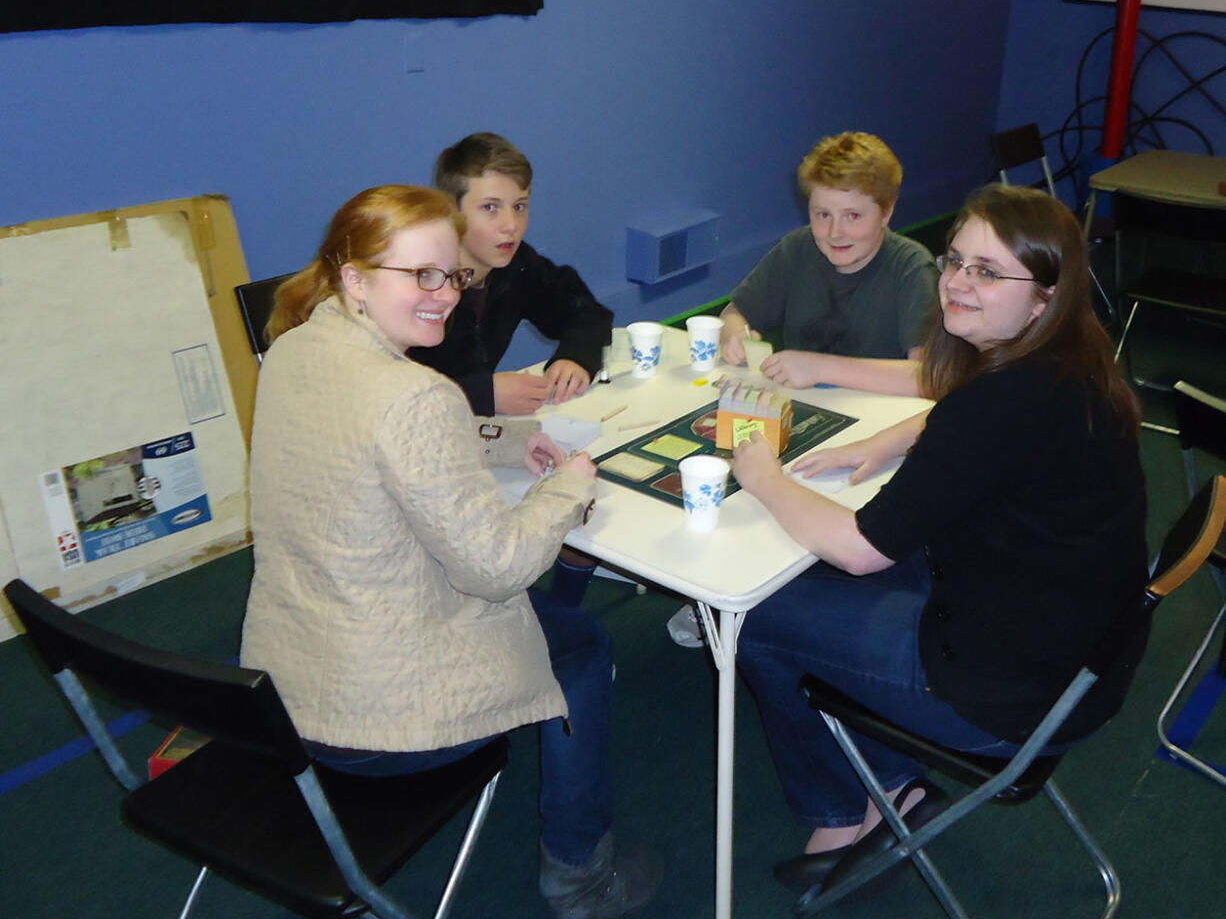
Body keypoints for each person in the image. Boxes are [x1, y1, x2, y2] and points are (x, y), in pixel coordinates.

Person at [240, 185, 659, 919]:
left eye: (452, 275)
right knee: (583, 645)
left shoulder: (294, 348)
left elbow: (375, 444)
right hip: (379, 722)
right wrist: (570, 485)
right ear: (355, 277)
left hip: (284, 689)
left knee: (533, 613)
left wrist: (499, 437)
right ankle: (579, 879)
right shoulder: (414, 396)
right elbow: (497, 566)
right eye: (420, 275)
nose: (446, 295)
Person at [729, 184, 1147, 893]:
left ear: (1044, 295)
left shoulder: (1000, 403)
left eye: (988, 271)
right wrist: (890, 441)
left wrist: (763, 473)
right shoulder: (1074, 364)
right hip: (1078, 663)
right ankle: (891, 781)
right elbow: (964, 428)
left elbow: (864, 545)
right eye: (954, 260)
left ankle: (846, 807)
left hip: (1007, 697)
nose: (956, 281)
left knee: (756, 618)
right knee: (825, 580)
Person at [410, 131, 614, 418]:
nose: (511, 225)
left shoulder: (516, 266)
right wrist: (480, 395)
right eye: (490, 207)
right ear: (451, 210)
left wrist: (576, 356)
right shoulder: (416, 284)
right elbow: (381, 397)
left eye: (520, 206)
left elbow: (585, 310)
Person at [719, 131, 936, 396]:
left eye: (853, 216)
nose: (835, 232)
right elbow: (733, 313)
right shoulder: (798, 249)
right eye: (822, 214)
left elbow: (925, 377)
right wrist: (735, 336)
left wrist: (820, 368)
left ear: (886, 212)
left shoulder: (911, 269)